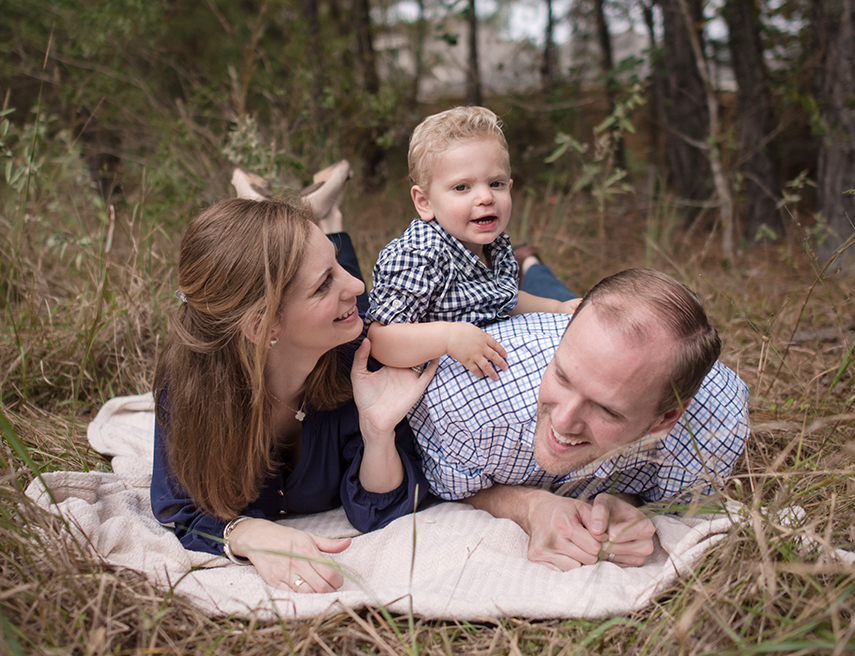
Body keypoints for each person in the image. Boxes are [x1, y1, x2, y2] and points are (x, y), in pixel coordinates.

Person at [150, 171, 436, 594]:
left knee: (355, 305)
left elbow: (383, 508)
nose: (357, 285)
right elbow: (183, 506)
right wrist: (247, 533)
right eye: (325, 284)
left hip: (330, 337)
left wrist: (378, 435)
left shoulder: (363, 359)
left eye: (337, 268)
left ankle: (530, 263)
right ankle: (280, 217)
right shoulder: (191, 388)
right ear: (262, 325)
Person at [408, 266, 750, 570]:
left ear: (666, 419)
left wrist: (626, 503)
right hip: (529, 330)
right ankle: (530, 265)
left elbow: (675, 502)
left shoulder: (712, 435)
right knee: (553, 294)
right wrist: (530, 507)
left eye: (606, 410)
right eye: (562, 377)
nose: (564, 421)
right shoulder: (467, 406)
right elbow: (454, 488)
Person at [366, 107, 579, 379]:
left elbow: (502, 300)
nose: (485, 197)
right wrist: (448, 337)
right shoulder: (421, 257)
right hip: (430, 389)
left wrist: (557, 308)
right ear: (425, 202)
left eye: (496, 183)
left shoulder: (494, 247)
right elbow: (380, 339)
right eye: (462, 187)